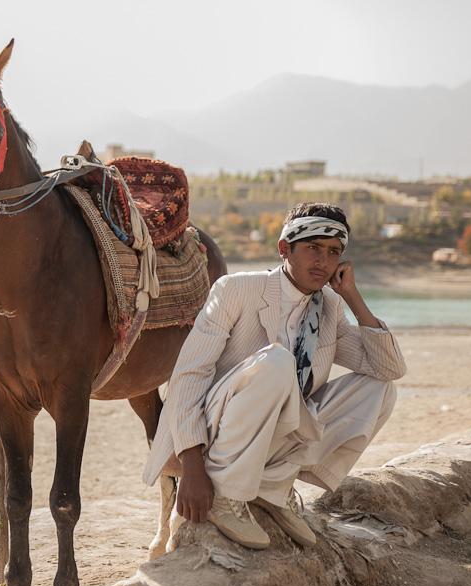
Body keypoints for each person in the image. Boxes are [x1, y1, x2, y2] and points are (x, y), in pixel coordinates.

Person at [143, 202, 407, 549]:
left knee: (380, 389)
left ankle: (271, 488)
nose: (323, 261)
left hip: (275, 438)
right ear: (285, 249)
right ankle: (227, 494)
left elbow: (389, 368)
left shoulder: (329, 307)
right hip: (215, 433)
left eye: (333, 252)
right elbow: (189, 374)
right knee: (278, 362)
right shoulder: (236, 289)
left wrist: (352, 297)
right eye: (313, 248)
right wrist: (191, 464)